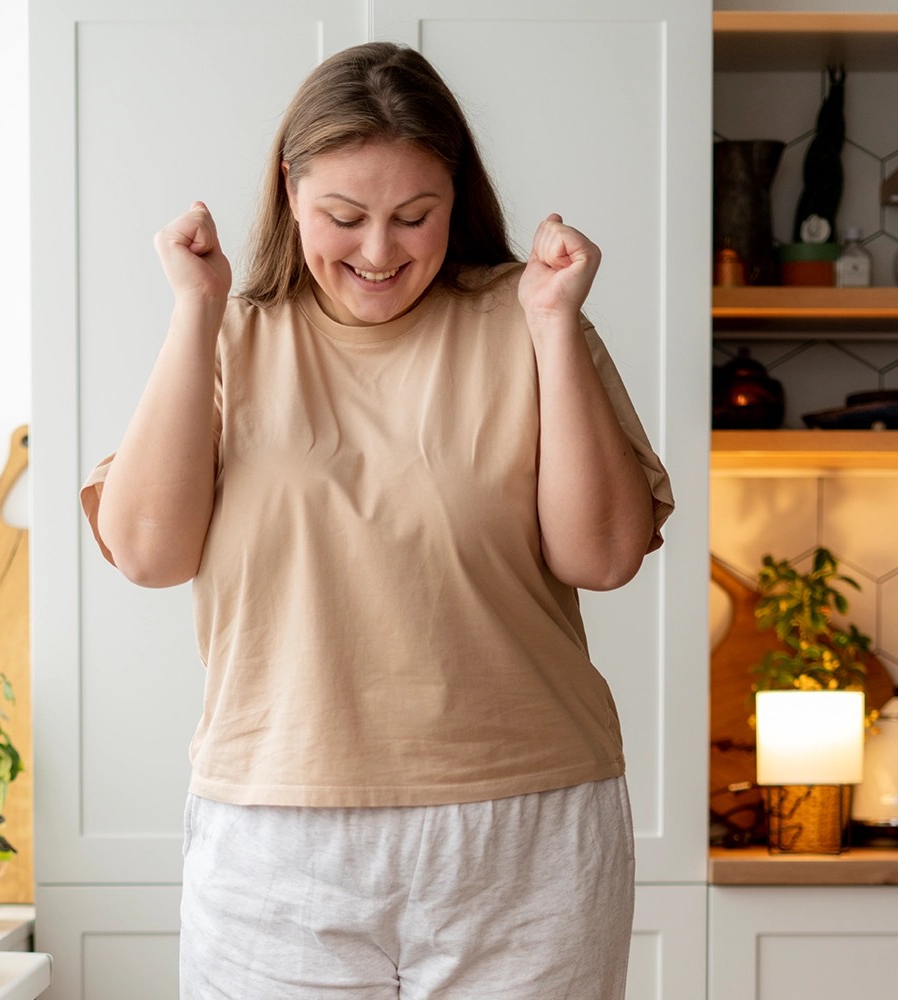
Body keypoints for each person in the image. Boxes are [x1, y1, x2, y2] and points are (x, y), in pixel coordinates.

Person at [81, 41, 673, 1000]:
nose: (378, 251)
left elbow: (602, 556)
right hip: (276, 830)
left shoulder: (528, 320)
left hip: (527, 828)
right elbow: (146, 553)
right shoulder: (231, 338)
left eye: (415, 216)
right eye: (344, 216)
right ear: (288, 192)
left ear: (458, 196)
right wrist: (195, 311)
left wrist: (558, 324)